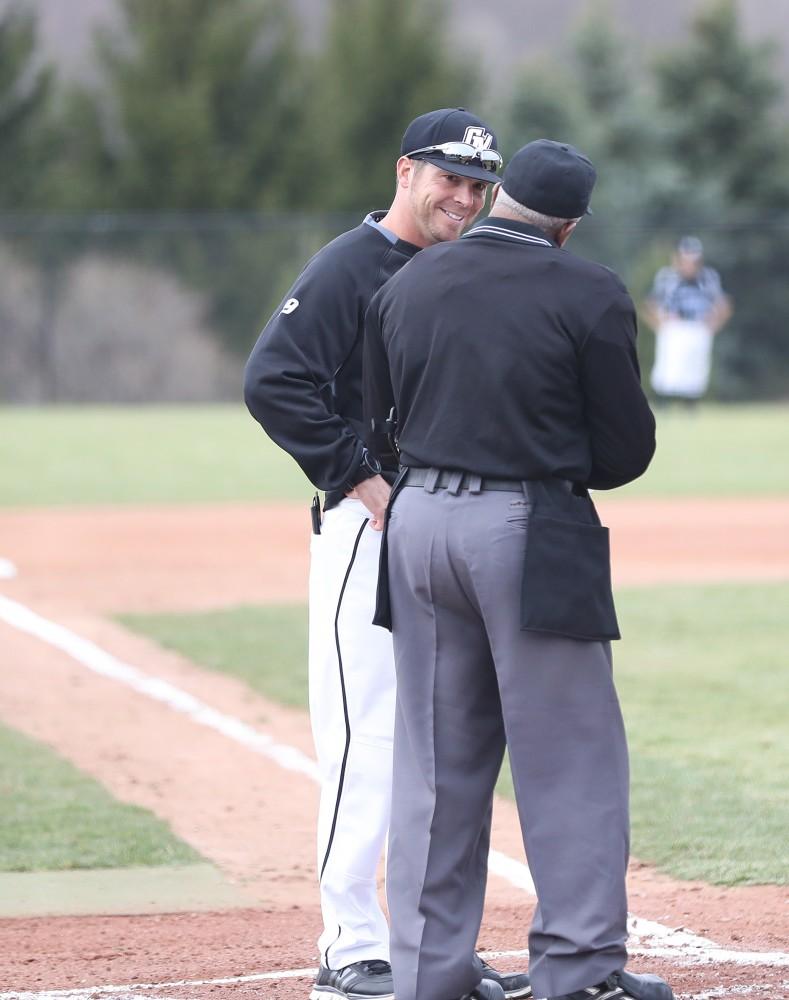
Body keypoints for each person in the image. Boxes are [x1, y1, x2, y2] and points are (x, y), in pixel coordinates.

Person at [363, 140, 675, 1000]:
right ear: (569, 224)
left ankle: (428, 974)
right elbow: (623, 451)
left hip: (417, 521)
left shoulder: (410, 280)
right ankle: (576, 972)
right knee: (567, 757)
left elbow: (376, 413)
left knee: (435, 762)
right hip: (527, 525)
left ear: (499, 199)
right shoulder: (588, 289)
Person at [243, 108, 530, 1000]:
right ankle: (349, 944)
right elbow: (273, 379)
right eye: (449, 176)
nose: (464, 196)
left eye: (478, 184)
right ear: (405, 172)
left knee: (442, 741)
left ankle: (432, 946)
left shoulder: (460, 268)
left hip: (447, 530)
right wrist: (362, 482)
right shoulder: (351, 265)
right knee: (367, 737)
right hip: (368, 532)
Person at [644, 235, 732, 406]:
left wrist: (715, 323)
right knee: (669, 365)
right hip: (674, 326)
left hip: (699, 326)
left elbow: (722, 302)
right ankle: (663, 401)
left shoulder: (708, 277)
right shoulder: (667, 277)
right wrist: (658, 324)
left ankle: (690, 403)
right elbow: (651, 302)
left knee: (696, 367)